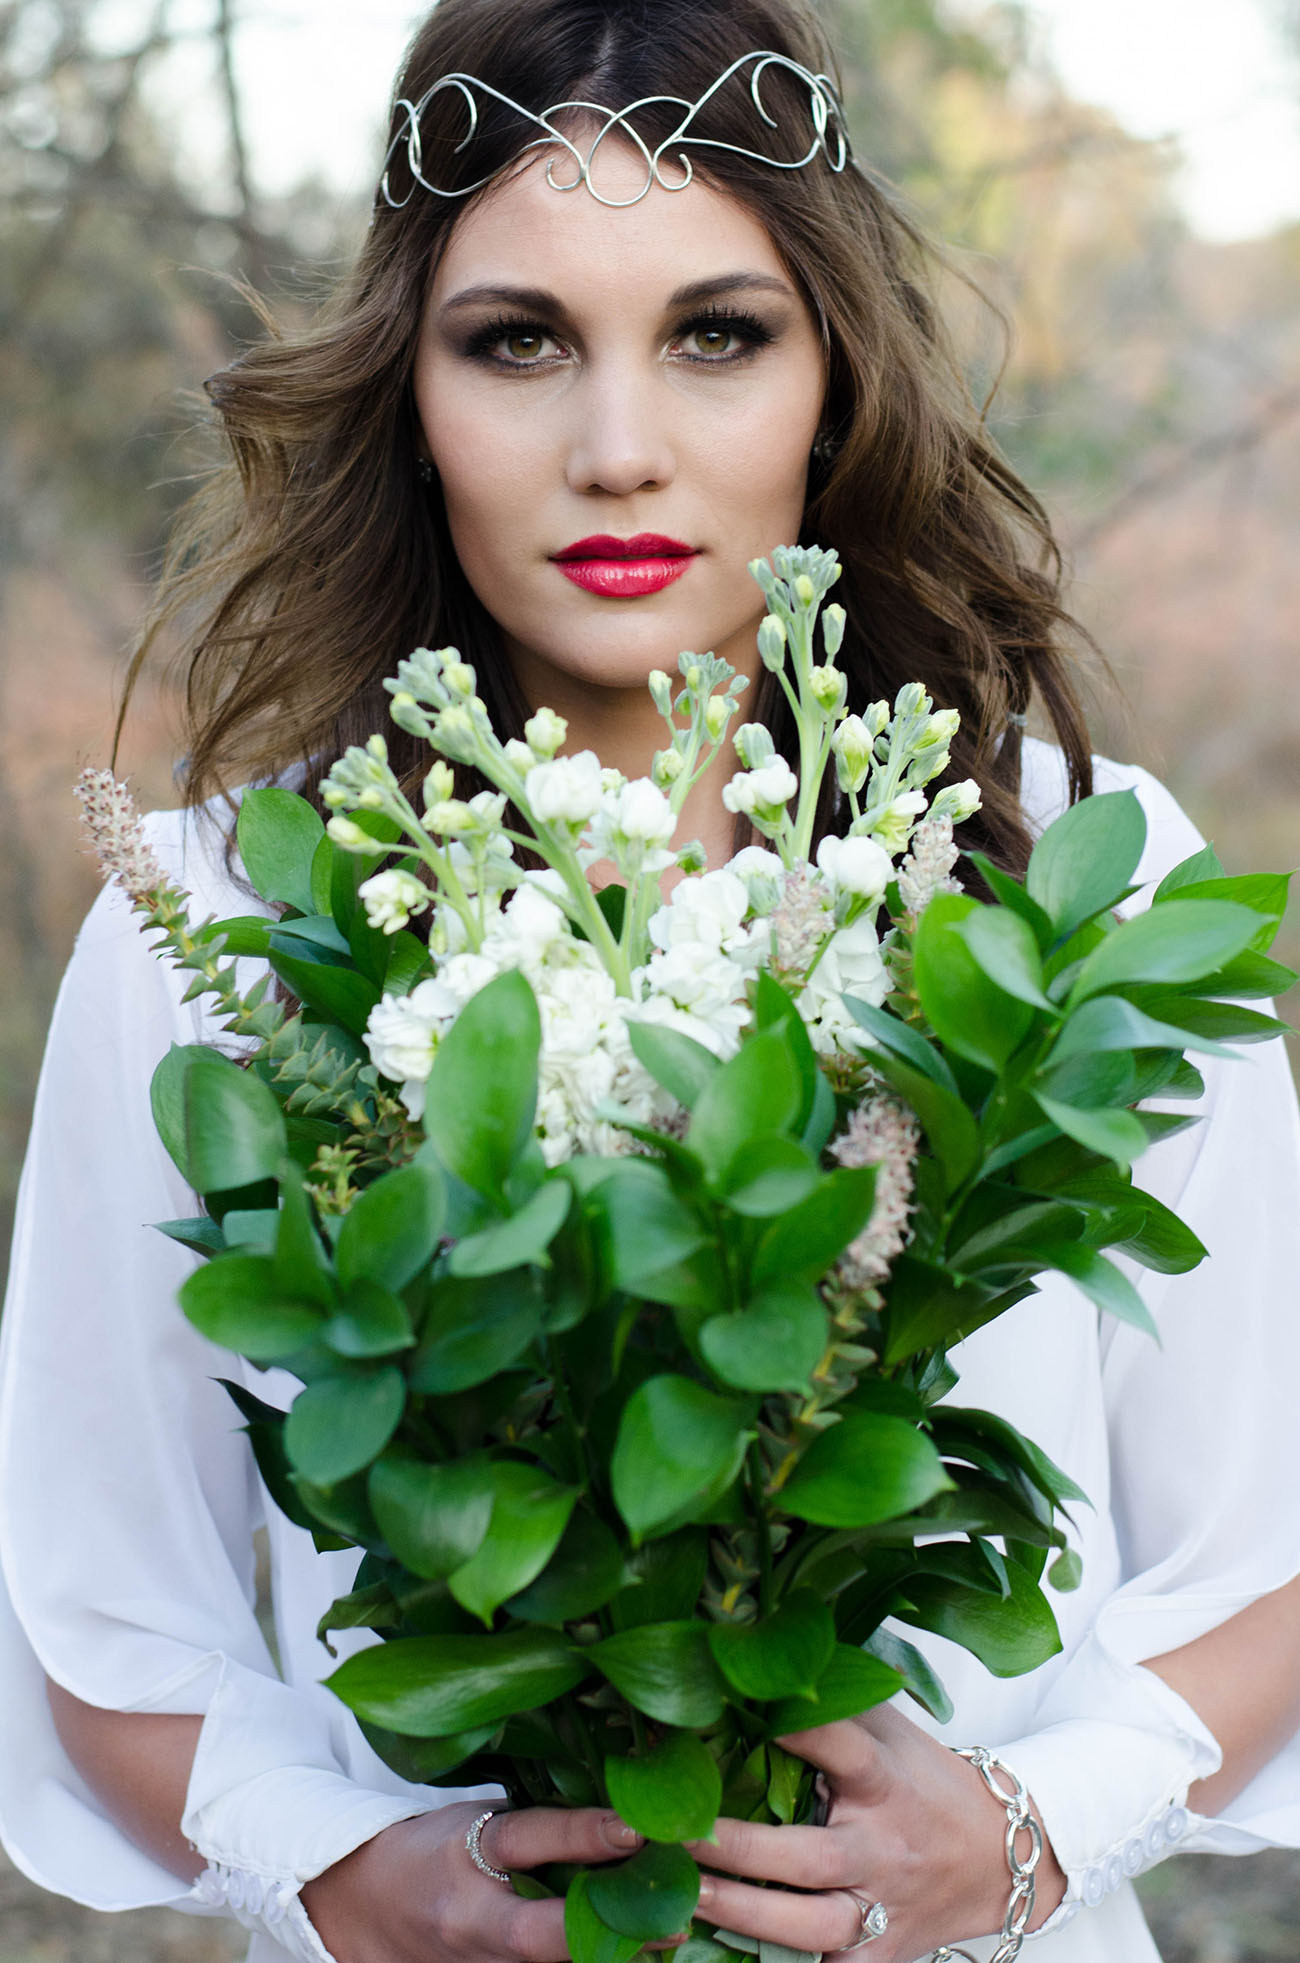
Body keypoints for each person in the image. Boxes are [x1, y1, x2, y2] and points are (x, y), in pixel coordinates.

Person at [2, 2, 1299, 1961]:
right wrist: (354, 1876)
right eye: (515, 340)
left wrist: (1020, 1831)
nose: (616, 447)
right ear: (411, 389)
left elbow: (1265, 1550)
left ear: (831, 379)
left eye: (715, 333)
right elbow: (100, 1615)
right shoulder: (217, 931)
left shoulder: (1062, 876)